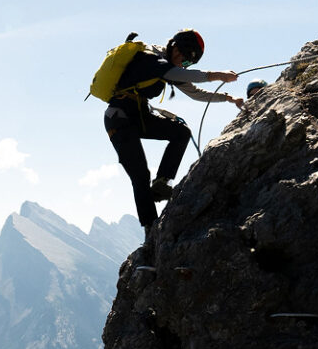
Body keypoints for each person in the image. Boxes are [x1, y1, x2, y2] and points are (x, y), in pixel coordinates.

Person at [104, 30, 243, 231]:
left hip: (138, 115)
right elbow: (179, 75)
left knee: (181, 132)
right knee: (140, 174)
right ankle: (150, 229)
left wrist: (228, 98)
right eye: (184, 60)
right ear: (175, 48)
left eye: (188, 64)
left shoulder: (170, 67)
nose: (183, 65)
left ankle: (161, 183)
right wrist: (217, 75)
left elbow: (195, 93)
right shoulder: (150, 58)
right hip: (119, 118)